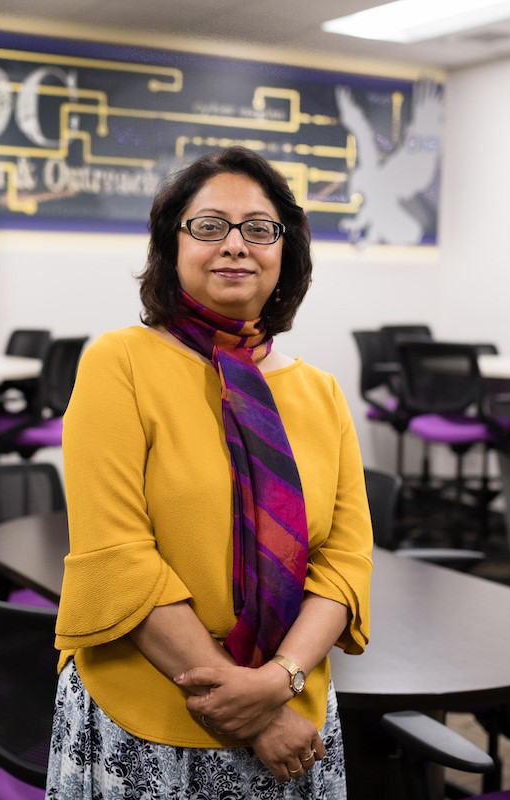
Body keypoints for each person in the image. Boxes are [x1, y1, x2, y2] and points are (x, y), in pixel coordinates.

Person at [49, 145, 373, 799]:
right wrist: (252, 712)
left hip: (294, 703)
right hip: (149, 708)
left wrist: (277, 680)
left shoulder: (322, 392)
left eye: (258, 227)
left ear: (286, 253)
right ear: (173, 248)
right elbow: (117, 558)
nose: (234, 245)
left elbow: (345, 562)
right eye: (209, 225)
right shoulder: (120, 362)